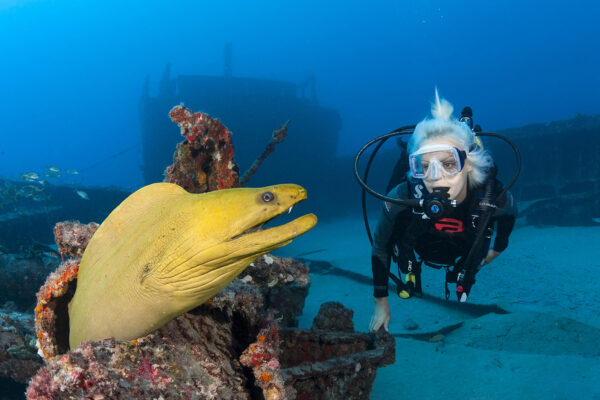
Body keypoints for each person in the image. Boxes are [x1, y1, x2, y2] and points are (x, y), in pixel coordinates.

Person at [369, 91, 517, 332]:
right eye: (424, 166)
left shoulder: (492, 196)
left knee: (472, 262)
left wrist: (498, 249)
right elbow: (380, 245)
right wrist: (381, 302)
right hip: (417, 248)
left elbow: (510, 214)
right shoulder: (403, 195)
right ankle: (410, 274)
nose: (435, 177)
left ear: (468, 164)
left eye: (449, 163)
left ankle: (463, 277)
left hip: (464, 253)